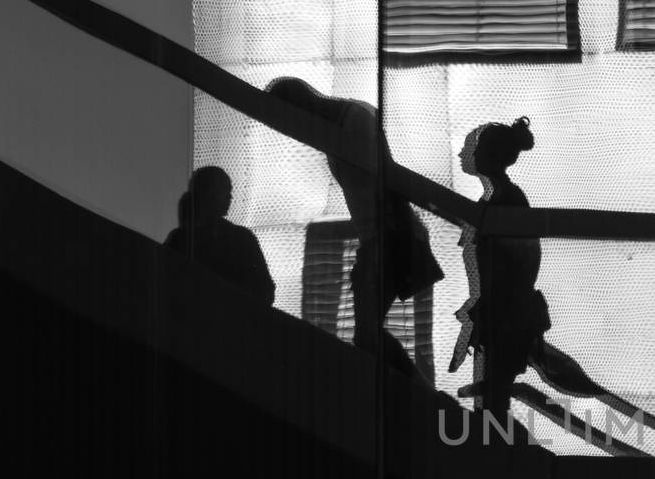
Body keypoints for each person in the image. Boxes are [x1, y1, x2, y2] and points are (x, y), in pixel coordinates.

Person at [264, 77, 443, 376]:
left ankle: (414, 391)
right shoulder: (346, 121)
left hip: (386, 236)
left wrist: (380, 243)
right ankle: (412, 389)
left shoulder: (352, 123)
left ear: (296, 108)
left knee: (367, 336)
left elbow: (381, 182)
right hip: (383, 236)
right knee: (368, 335)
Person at [449, 117, 555, 430]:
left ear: (490, 156)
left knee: (495, 397)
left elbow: (524, 260)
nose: (463, 154)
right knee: (495, 396)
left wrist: (498, 304)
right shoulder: (498, 199)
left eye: (473, 147)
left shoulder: (506, 200)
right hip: (503, 313)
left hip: (507, 315)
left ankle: (499, 452)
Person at [162, 166, 275, 306]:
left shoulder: (243, 238)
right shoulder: (181, 238)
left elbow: (265, 291)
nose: (230, 197)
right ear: (206, 193)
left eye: (229, 191)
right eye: (224, 190)